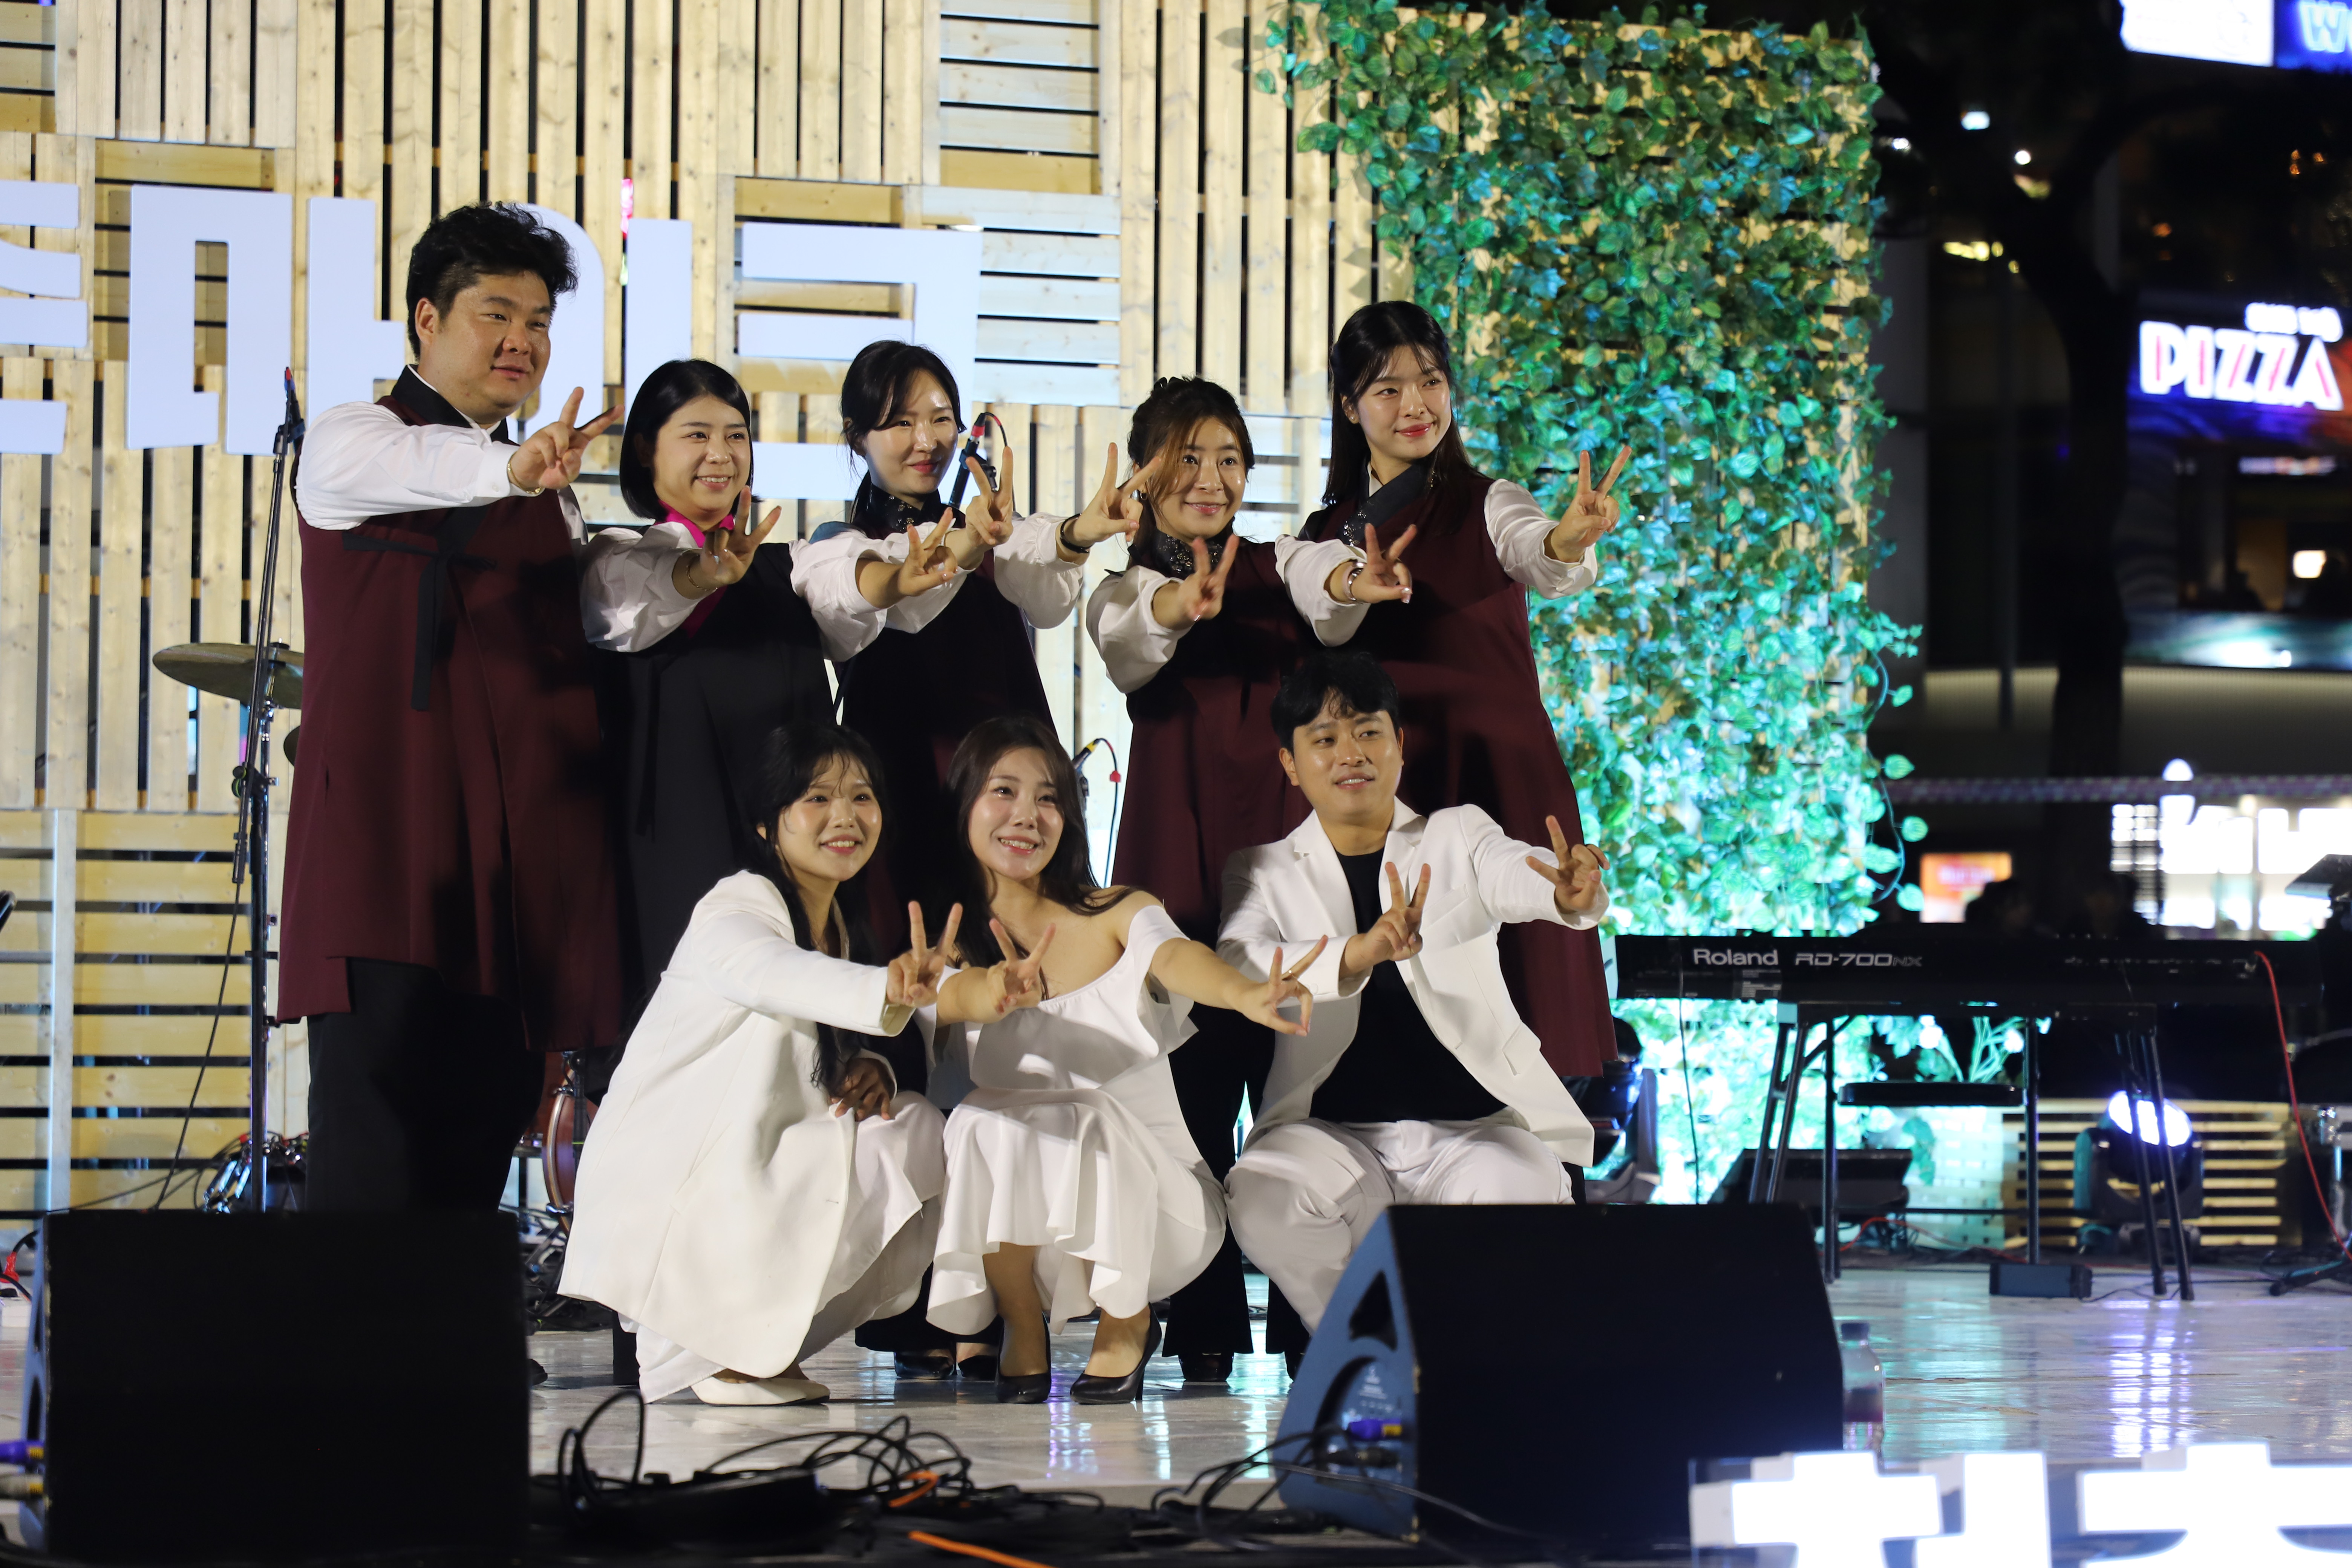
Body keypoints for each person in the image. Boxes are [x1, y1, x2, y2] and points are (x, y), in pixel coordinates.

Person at [284, 202, 642, 1212]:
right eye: (497, 315)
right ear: (426, 320)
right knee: (373, 1145)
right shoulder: (356, 439)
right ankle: (354, 1327)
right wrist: (511, 468)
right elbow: (431, 465)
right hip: (385, 849)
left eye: (539, 322)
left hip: (507, 870)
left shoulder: (547, 491)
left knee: (481, 1138)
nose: (522, 340)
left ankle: (451, 1322)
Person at [1083, 376, 1397, 1383]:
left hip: (1281, 865)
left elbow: (1329, 590)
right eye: (1188, 457)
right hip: (1177, 866)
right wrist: (1184, 600)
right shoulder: (1121, 590)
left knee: (1303, 1092)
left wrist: (1354, 585)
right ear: (1147, 472)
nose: (1211, 478)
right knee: (1189, 1100)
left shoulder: (1279, 563)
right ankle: (1205, 1320)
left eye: (1229, 459)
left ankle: (1315, 1321)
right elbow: (1136, 642)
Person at [560, 723, 1000, 1406]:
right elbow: (775, 977)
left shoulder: (838, 922)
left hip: (761, 1153)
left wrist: (874, 1063)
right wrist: (885, 991)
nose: (845, 816)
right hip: (686, 1169)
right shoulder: (737, 905)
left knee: (912, 1127)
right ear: (769, 825)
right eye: (817, 798)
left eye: (861, 797)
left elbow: (808, 1037)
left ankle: (760, 1348)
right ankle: (713, 1351)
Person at [923, 715, 1320, 1404]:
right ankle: (1021, 1321)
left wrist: (1245, 993)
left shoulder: (1115, 909)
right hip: (1039, 1228)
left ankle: (1128, 1320)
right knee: (979, 1117)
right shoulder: (949, 941)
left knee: (1090, 1110)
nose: (1027, 816)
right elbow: (936, 1003)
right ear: (965, 805)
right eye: (1004, 791)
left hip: (1163, 1215)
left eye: (1048, 797)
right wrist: (985, 991)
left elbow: (1177, 956)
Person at [1219, 649, 1609, 1339]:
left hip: (1475, 1134)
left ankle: (1453, 1353)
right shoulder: (1263, 870)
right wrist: (1359, 953)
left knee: (1520, 1191)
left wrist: (1563, 893)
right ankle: (1361, 1345)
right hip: (1331, 1139)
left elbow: (1513, 874)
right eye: (1325, 738)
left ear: (1399, 745)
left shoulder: (1457, 834)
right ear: (1290, 764)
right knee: (1262, 1194)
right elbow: (1242, 962)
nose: (1351, 754)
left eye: (1369, 732)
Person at [1303, 300, 1626, 1086]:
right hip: (1392, 784)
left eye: (1432, 381)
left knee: (1525, 1017)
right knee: (1405, 1014)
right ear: (1348, 406)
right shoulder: (1325, 534)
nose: (1417, 405)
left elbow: (1536, 552)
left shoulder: (1489, 500)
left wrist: (1566, 539)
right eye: (1388, 389)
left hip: (1498, 771)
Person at [790, 341, 1133, 949]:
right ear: (857, 437)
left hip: (1010, 773)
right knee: (918, 943)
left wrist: (1075, 536)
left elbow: (1048, 598)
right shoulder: (841, 542)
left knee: (1035, 946)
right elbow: (884, 600)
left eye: (941, 419)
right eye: (901, 423)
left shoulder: (993, 525)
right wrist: (964, 548)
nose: (926, 441)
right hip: (906, 771)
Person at [579, 358, 830, 1029]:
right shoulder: (615, 559)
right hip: (666, 854)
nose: (721, 454)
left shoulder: (791, 568)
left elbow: (858, 588)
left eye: (736, 435)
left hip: (785, 848)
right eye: (697, 434)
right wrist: (702, 574)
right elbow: (645, 598)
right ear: (645, 449)